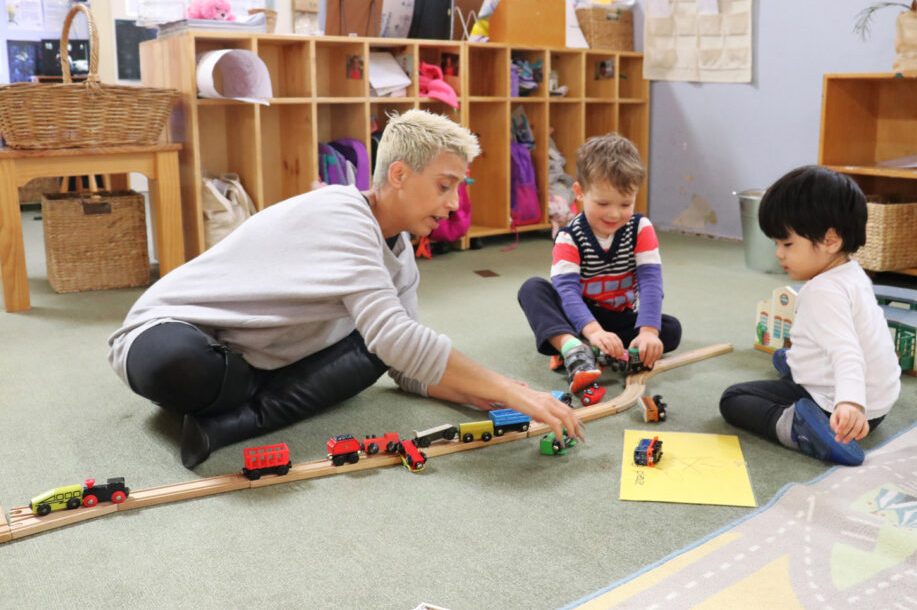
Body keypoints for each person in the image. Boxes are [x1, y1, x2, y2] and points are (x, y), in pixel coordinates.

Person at [108, 109, 582, 469]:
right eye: (443, 186)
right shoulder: (341, 211)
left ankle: (228, 424)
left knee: (381, 346)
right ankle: (236, 414)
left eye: (458, 187)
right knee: (182, 365)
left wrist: (473, 393)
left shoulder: (400, 260)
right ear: (398, 175)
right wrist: (507, 387)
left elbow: (405, 364)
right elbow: (397, 338)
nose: (453, 202)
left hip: (250, 364)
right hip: (168, 335)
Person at [719, 165, 901, 466]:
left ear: (830, 240)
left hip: (843, 414)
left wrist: (849, 403)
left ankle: (799, 428)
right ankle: (804, 368)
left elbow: (846, 353)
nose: (779, 253)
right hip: (878, 402)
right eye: (777, 243)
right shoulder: (852, 272)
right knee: (789, 356)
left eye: (787, 244)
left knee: (734, 399)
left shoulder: (822, 292)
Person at [517, 133, 682, 394]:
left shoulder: (641, 228)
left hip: (617, 316)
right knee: (532, 289)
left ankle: (592, 350)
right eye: (603, 203)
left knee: (669, 329)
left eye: (625, 203)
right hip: (577, 315)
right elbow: (567, 291)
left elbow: (650, 282)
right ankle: (573, 347)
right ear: (580, 192)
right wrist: (593, 331)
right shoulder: (569, 237)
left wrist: (649, 331)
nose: (614, 213)